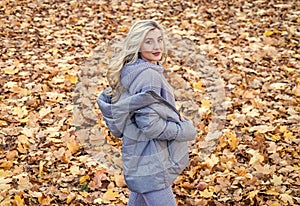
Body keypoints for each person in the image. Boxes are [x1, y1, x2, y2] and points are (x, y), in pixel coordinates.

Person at [97, 20, 196, 206]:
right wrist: (182, 129)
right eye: (148, 41)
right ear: (137, 44)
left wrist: (172, 113)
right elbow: (149, 123)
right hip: (151, 160)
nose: (157, 46)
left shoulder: (131, 70)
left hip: (139, 155)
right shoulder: (148, 75)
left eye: (159, 40)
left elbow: (147, 109)